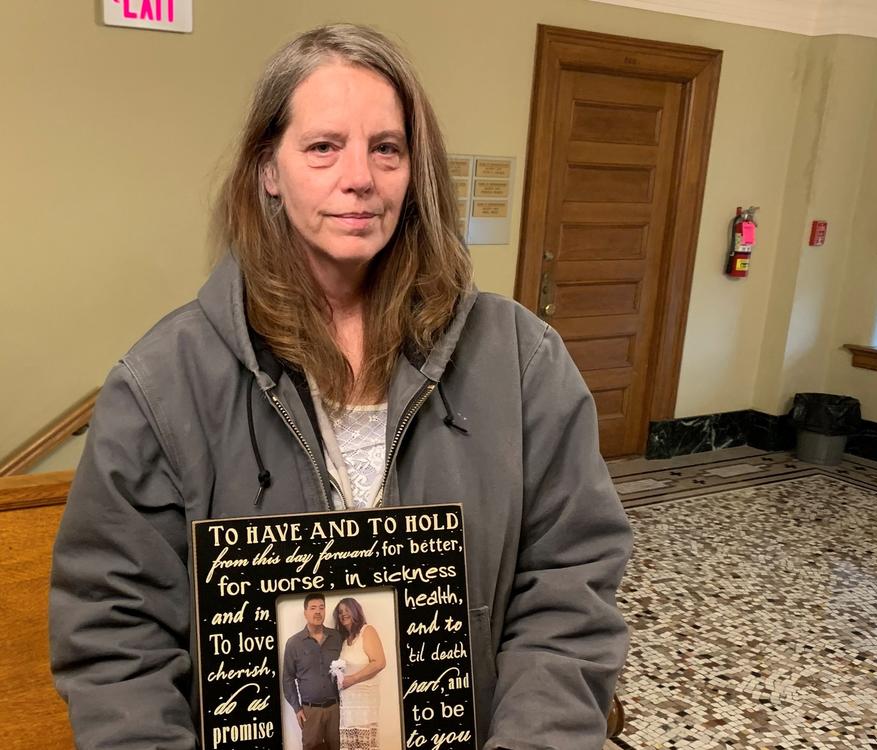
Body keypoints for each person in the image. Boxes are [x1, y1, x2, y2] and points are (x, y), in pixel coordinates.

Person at [49, 23, 631, 750]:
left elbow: (569, 587)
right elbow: (115, 637)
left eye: (386, 149)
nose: (360, 176)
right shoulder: (160, 385)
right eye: (323, 147)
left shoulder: (521, 361)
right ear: (268, 167)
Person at [282, 593, 344, 750]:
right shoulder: (293, 643)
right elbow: (288, 678)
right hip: (310, 711)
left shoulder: (336, 637)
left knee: (338, 747)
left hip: (336, 709)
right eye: (313, 608)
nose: (318, 612)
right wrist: (297, 708)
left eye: (321, 608)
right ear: (305, 613)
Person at [333, 598, 386, 750]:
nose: (343, 614)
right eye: (340, 612)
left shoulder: (367, 630)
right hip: (347, 705)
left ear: (356, 610)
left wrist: (352, 679)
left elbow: (379, 662)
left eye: (347, 610)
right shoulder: (344, 640)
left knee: (364, 746)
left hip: (364, 704)